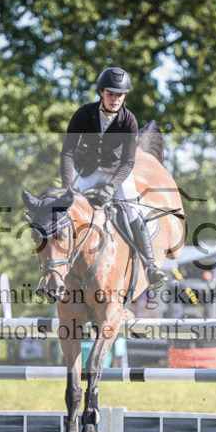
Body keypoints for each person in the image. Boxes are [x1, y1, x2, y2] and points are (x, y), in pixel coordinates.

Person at [61, 67, 168, 288]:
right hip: (87, 172)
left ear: (125, 96)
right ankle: (56, 269)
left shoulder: (129, 121)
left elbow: (128, 162)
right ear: (101, 93)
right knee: (63, 211)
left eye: (119, 95)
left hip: (117, 173)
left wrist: (111, 188)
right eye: (111, 94)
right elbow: (68, 152)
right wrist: (66, 187)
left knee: (133, 209)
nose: (115, 99)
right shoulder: (83, 114)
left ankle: (150, 267)